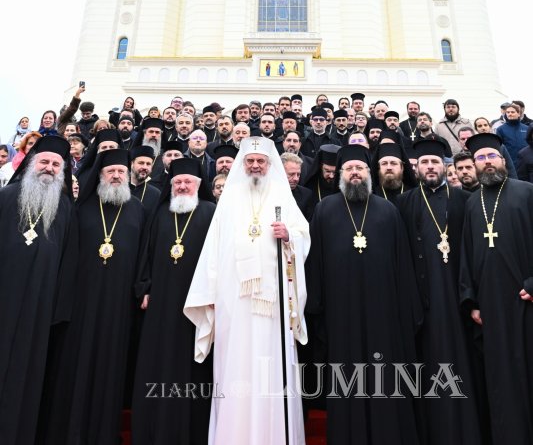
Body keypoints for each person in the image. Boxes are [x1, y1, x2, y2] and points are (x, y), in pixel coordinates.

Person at [184, 137, 309, 445]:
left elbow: (303, 235)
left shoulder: (282, 196)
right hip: (234, 301)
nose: (255, 165)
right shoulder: (229, 200)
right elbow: (212, 250)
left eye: (261, 161)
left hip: (274, 301)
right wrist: (208, 294)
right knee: (235, 367)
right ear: (243, 164)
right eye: (250, 161)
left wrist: (290, 234)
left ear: (269, 165)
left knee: (272, 367)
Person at [305, 144, 422, 444]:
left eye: (360, 168)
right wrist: (316, 309)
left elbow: (403, 264)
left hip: (384, 315)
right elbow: (315, 262)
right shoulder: (325, 209)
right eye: (349, 169)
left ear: (369, 174)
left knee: (386, 380)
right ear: (339, 175)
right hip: (339, 315)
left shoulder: (387, 210)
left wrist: (406, 311)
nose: (355, 173)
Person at [44, 150, 145, 445]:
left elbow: (143, 258)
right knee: (73, 367)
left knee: (109, 369)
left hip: (118, 306)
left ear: (128, 176)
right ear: (100, 175)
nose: (116, 175)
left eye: (121, 172)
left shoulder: (138, 210)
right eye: (111, 171)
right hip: (81, 304)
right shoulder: (83, 207)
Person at [397, 139, 481, 445]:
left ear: (444, 166)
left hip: (459, 301)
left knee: (464, 365)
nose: (430, 167)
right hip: (423, 303)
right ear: (416, 167)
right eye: (424, 163)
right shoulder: (405, 203)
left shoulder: (463, 200)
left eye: (435, 162)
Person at [131, 158, 215, 444]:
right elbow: (146, 251)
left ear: (198, 186)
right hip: (161, 302)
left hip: (196, 303)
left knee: (192, 368)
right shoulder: (160, 214)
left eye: (187, 182)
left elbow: (218, 259)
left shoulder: (211, 212)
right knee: (158, 358)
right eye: (177, 182)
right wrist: (145, 287)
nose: (181, 186)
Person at [0, 136, 77, 445]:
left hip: (39, 310)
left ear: (62, 171)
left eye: (56, 164)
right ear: (32, 164)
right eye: (44, 161)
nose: (49, 168)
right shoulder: (5, 197)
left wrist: (57, 310)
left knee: (25, 378)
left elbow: (68, 262)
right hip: (3, 299)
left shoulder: (65, 210)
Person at [459, 132, 533, 445]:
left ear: (502, 160)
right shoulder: (472, 204)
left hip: (526, 300)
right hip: (491, 307)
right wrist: (472, 300)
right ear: (473, 165)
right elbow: (466, 254)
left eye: (492, 156)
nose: (487, 163)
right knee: (502, 380)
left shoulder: (527, 192)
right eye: (480, 158)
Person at [281, 152, 314, 221]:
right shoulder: (269, 193)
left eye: (298, 174)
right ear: (280, 172)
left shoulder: (307, 195)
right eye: (291, 174)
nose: (296, 178)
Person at [129, 144, 160, 213]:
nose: (145, 167)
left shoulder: (156, 194)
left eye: (148, 164)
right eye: (141, 163)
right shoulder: (120, 188)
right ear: (131, 164)